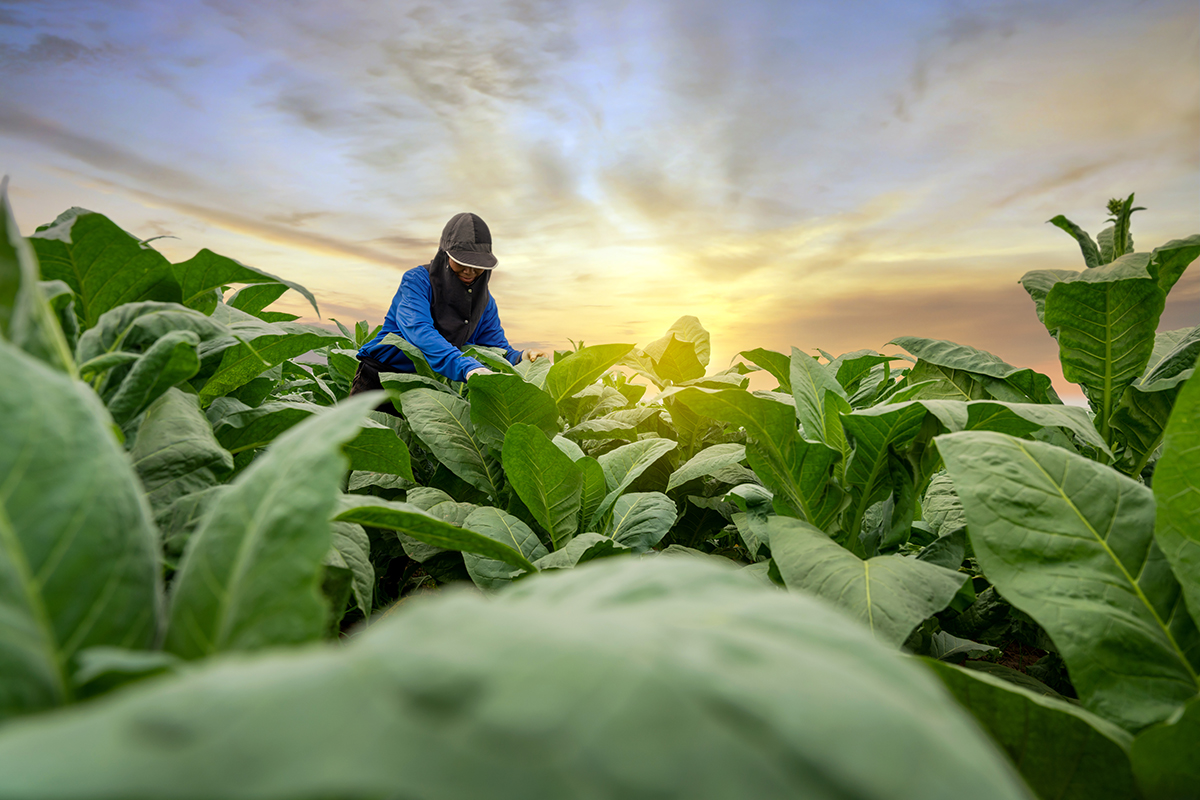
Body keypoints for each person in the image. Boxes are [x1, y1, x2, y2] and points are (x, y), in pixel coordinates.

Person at [351, 212, 545, 412]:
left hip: (426, 388)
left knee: (406, 444)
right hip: (381, 378)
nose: (469, 270)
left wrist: (521, 356)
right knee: (359, 440)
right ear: (445, 254)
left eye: (477, 265)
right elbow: (420, 331)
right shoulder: (416, 281)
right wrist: (466, 367)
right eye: (462, 261)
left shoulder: (485, 302)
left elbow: (494, 347)